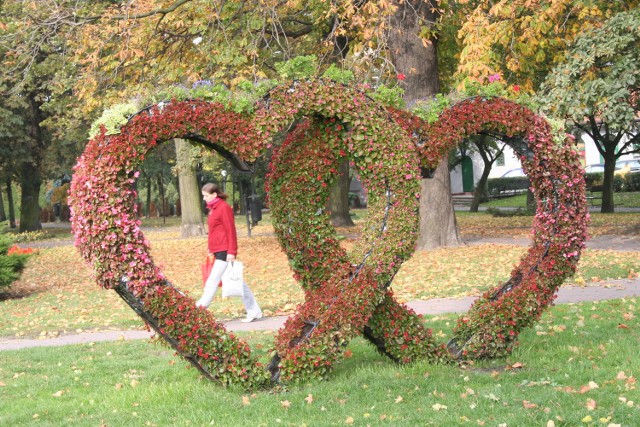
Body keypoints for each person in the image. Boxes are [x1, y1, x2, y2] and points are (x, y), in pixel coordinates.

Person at [196, 183, 263, 322]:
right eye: (203, 196)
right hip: (218, 249)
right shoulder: (212, 209)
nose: (204, 198)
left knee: (213, 280)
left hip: (225, 250)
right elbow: (214, 231)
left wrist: (232, 251)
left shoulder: (223, 208)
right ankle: (255, 311)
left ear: (214, 195)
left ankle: (200, 309)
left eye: (206, 196)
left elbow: (230, 230)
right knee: (238, 282)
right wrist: (210, 248)